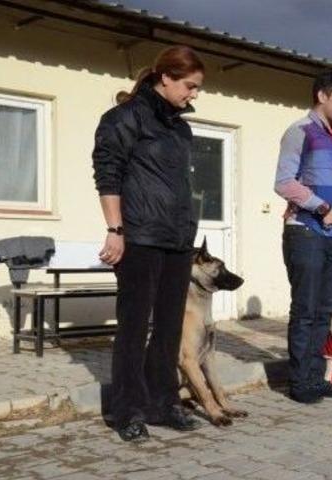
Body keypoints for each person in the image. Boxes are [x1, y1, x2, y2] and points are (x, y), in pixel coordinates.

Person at [92, 45, 205, 442]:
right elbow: (108, 173)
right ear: (166, 77)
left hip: (176, 240)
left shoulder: (180, 128)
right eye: (190, 86)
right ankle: (127, 411)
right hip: (138, 237)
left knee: (169, 327)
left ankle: (163, 402)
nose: (194, 94)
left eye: (197, 88)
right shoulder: (123, 118)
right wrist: (115, 230)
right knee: (134, 326)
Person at [274, 69, 332, 404]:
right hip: (305, 232)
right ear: (322, 96)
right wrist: (322, 207)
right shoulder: (300, 131)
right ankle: (299, 382)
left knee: (324, 310)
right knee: (306, 308)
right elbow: (283, 183)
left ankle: (314, 377)